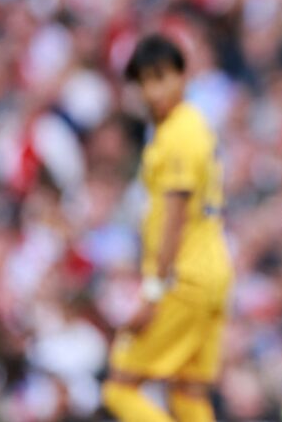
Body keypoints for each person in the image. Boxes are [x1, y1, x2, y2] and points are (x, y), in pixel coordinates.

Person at [102, 34, 233, 422]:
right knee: (188, 393)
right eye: (144, 80)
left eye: (161, 77)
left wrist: (152, 292)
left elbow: (174, 218)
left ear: (183, 76)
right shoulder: (193, 124)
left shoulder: (178, 134)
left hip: (182, 278)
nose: (153, 90)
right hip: (213, 274)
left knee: (119, 387)